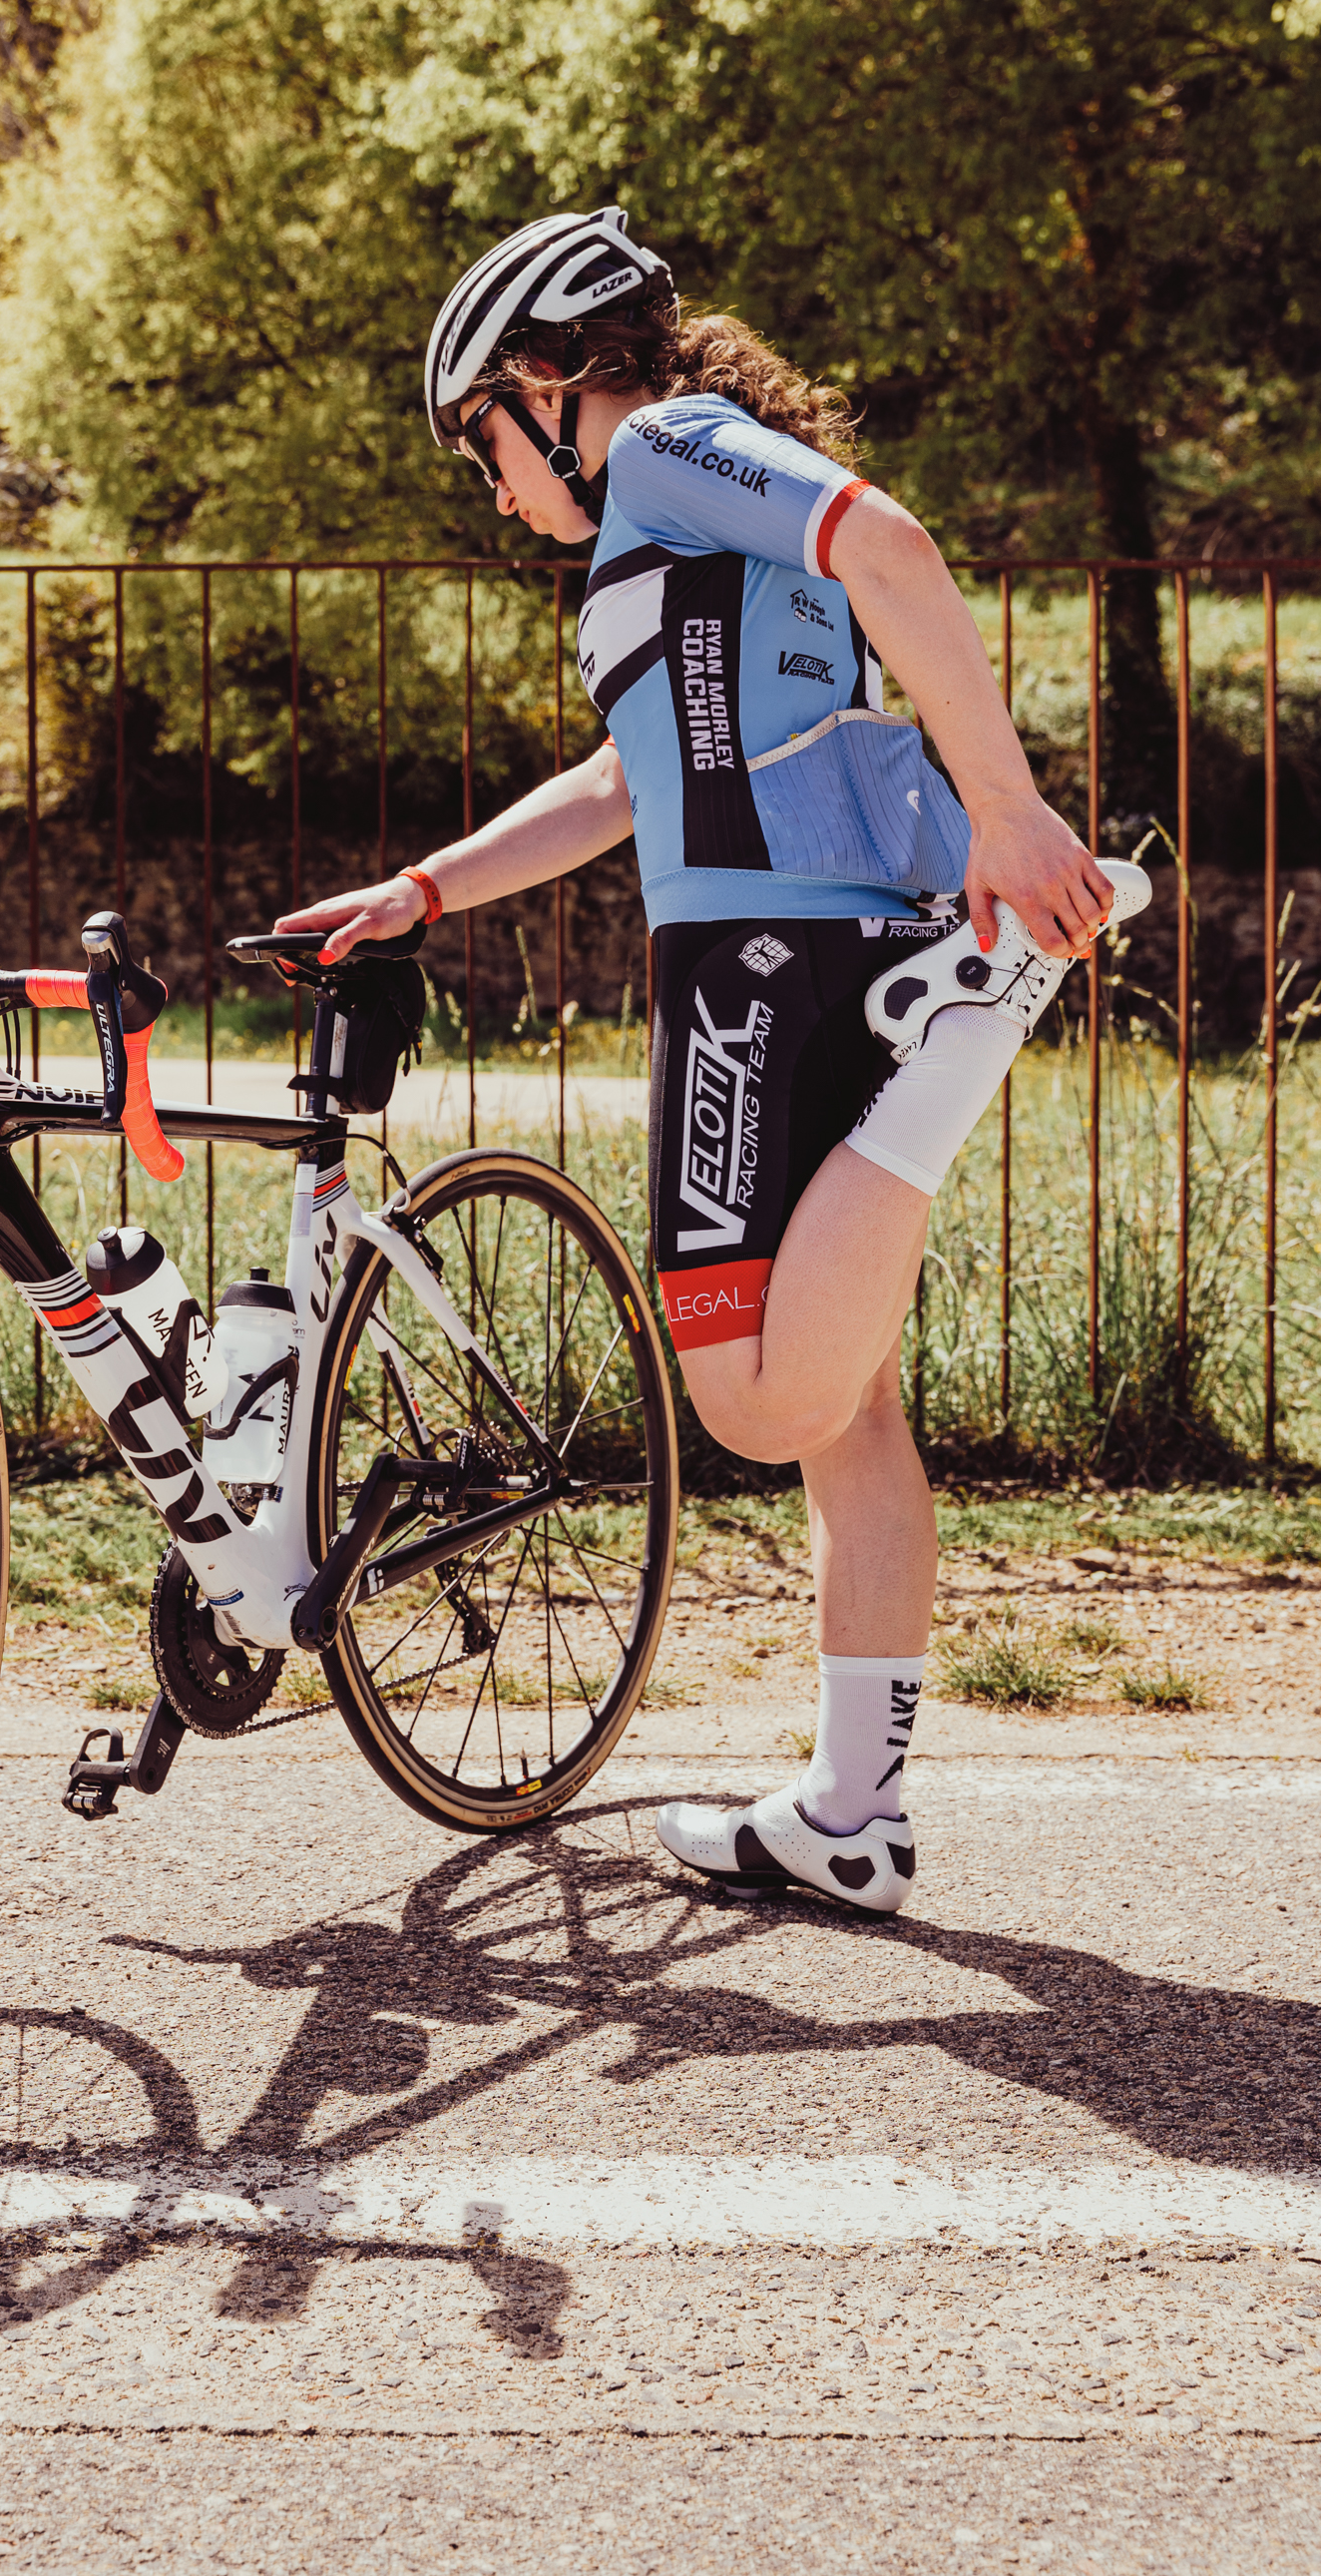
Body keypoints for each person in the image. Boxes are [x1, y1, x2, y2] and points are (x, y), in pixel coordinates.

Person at [275, 207, 1148, 1914]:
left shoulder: (667, 444)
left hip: (762, 957)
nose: (498, 491)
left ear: (547, 381)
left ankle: (955, 1033)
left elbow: (887, 548)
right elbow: (630, 783)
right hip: (820, 936)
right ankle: (853, 1813)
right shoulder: (678, 525)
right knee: (852, 1415)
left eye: (486, 451)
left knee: (750, 1391)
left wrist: (1011, 807)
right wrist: (429, 885)